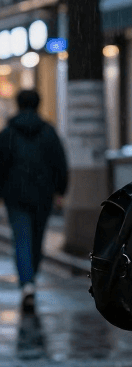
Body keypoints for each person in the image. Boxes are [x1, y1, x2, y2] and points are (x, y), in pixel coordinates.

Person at [0, 89, 68, 312]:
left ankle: (26, 283)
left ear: (18, 105)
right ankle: (32, 278)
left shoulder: (8, 133)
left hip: (15, 195)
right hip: (42, 195)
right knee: (37, 238)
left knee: (21, 239)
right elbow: (60, 163)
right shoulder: (48, 132)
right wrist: (60, 191)